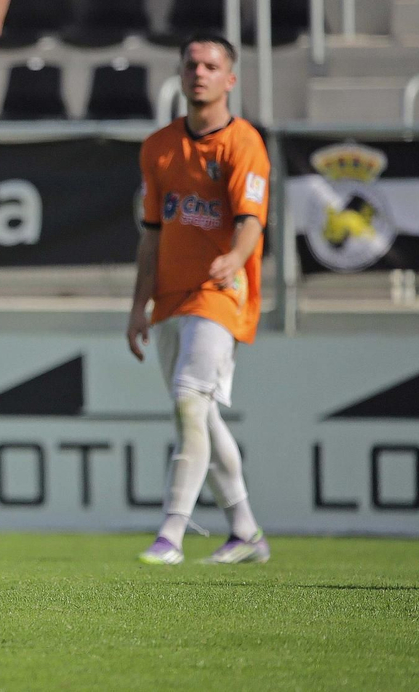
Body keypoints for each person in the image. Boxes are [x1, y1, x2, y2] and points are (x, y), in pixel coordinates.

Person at [128, 33, 270, 567]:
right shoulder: (159, 147)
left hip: (219, 294)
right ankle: (246, 531)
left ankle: (171, 535)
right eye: (191, 64)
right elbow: (152, 234)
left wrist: (235, 260)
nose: (200, 72)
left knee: (190, 401)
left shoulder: (243, 144)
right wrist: (137, 305)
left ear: (230, 79)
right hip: (169, 298)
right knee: (201, 417)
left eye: (211, 65)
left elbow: (252, 219)